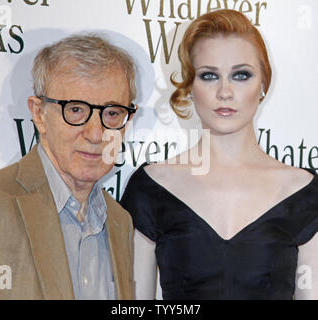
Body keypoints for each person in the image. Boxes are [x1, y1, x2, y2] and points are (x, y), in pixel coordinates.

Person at [121, 9, 318, 300]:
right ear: (189, 87)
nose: (225, 91)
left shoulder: (302, 192)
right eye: (209, 75)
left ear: (263, 84)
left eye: (241, 75)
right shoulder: (151, 188)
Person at [0, 34, 137, 299]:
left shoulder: (120, 222)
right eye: (75, 110)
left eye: (112, 113)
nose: (96, 134)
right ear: (38, 113)